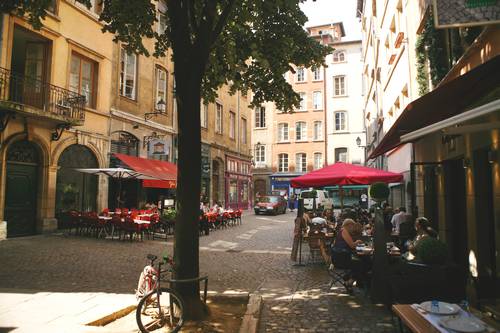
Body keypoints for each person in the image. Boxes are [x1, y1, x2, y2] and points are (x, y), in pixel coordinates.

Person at [330, 219, 365, 291]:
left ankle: (348, 279)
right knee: (361, 263)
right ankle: (350, 282)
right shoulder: (344, 231)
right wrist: (358, 241)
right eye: (353, 226)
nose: (353, 228)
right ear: (349, 225)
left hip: (338, 257)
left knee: (358, 261)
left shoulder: (341, 231)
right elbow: (352, 245)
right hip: (341, 259)